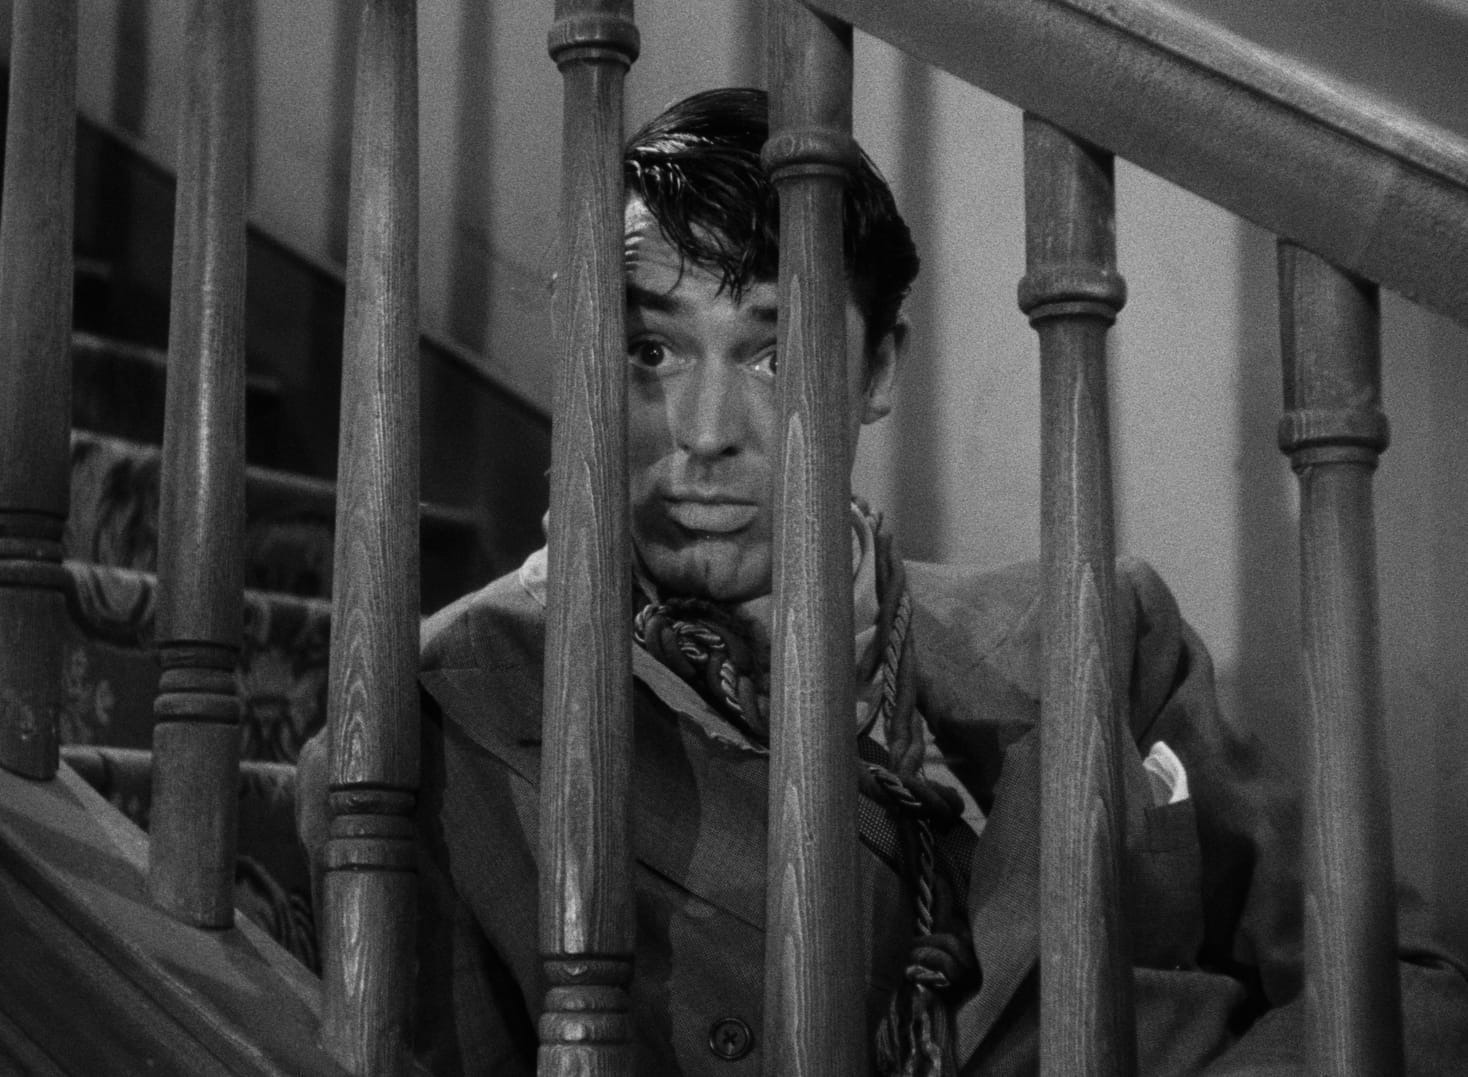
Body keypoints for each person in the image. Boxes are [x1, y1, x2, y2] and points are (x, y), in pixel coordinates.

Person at [299, 88, 1468, 1074]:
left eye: (775, 353)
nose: (702, 431)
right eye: (649, 350)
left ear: (876, 372)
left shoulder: (1103, 628)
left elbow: (1406, 989)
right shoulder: (435, 724)